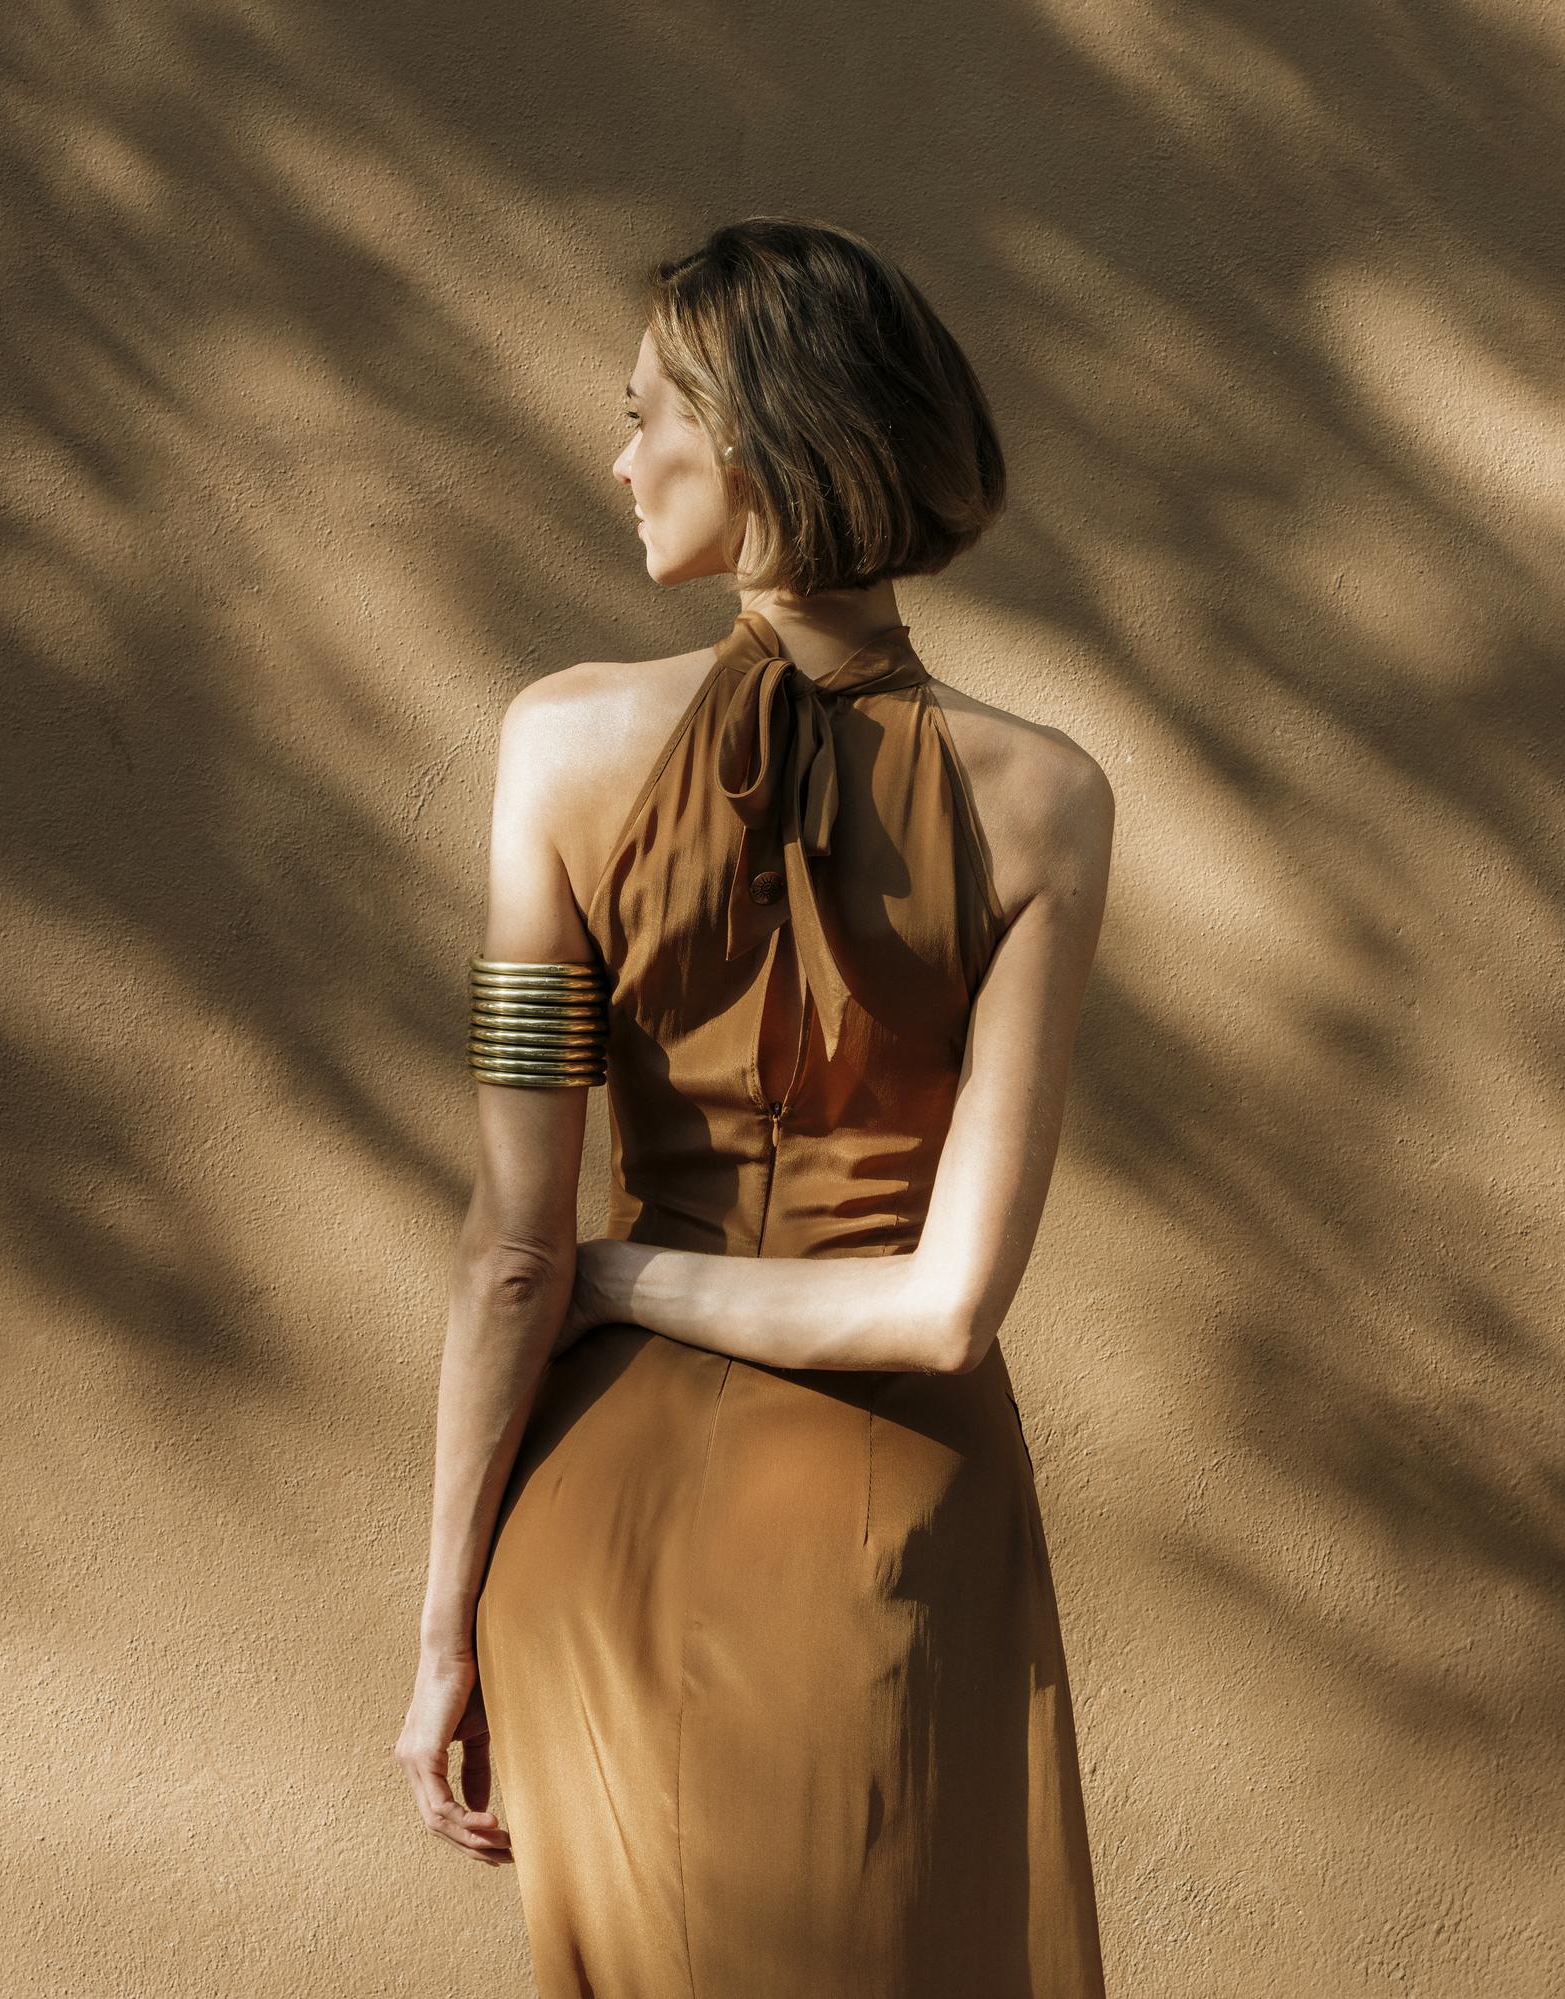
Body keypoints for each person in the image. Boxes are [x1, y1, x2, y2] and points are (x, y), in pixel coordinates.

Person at [394, 216, 1114, 1997]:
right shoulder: (1049, 802)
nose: (619, 458)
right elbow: (941, 1305)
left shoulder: (556, 750)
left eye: (653, 417)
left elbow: (513, 1258)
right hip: (894, 1516)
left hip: (598, 1517)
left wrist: (438, 1642)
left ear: (772, 437)